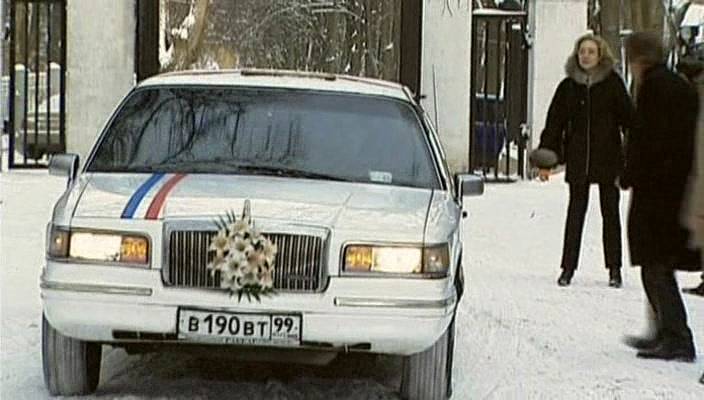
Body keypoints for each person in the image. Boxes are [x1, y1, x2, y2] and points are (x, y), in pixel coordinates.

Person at [620, 32, 698, 362]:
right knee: (656, 264)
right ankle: (664, 332)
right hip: (673, 187)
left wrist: (629, 173)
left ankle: (677, 337)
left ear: (638, 60)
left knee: (655, 265)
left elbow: (646, 138)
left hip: (658, 191)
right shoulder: (675, 84)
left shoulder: (654, 87)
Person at [537, 34, 634, 287]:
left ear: (600, 55)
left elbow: (629, 120)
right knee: (575, 213)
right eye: (582, 52)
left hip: (608, 158)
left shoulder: (613, 83)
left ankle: (614, 269)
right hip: (579, 159)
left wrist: (633, 156)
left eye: (591, 51)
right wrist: (547, 158)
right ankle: (567, 268)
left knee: (610, 214)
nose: (586, 56)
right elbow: (554, 123)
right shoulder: (569, 86)